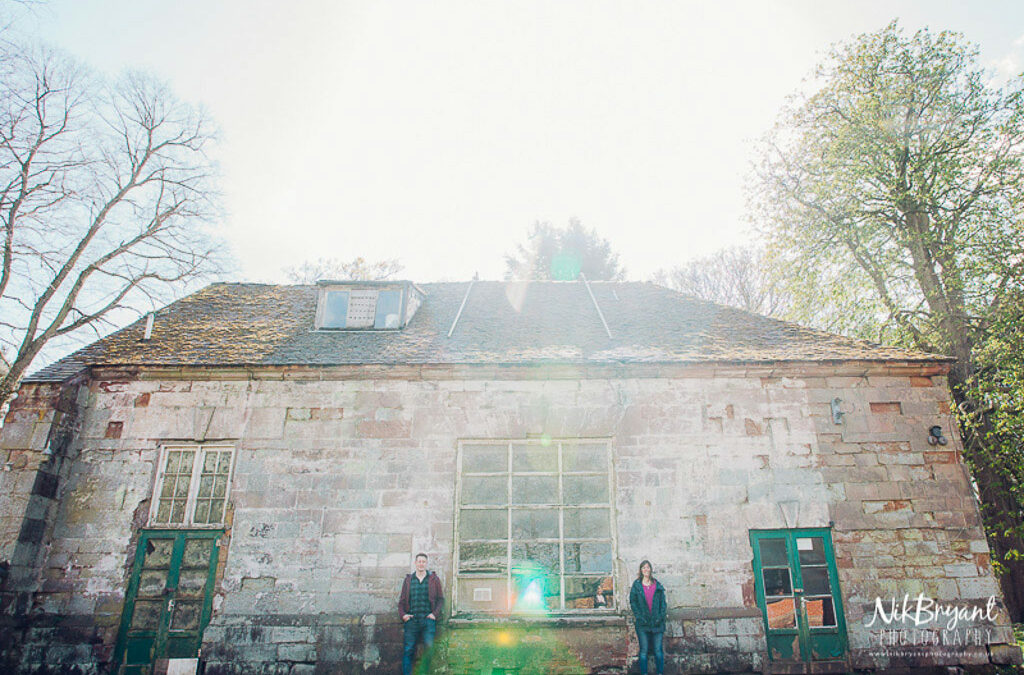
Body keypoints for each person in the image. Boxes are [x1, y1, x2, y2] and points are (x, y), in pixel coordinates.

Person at [398, 552, 443, 675]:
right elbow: (401, 601)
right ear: (415, 563)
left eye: (423, 561)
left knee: (428, 649)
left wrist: (434, 614)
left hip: (428, 620)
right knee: (408, 650)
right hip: (412, 620)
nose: (421, 564)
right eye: (419, 561)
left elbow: (440, 599)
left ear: (426, 563)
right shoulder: (408, 580)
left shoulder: (434, 579)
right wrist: (404, 615)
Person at [629, 559, 666, 675]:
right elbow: (633, 602)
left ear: (650, 569)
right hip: (643, 624)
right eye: (644, 567)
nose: (646, 569)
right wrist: (639, 617)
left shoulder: (657, 585)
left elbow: (663, 604)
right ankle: (644, 673)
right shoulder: (637, 586)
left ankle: (660, 673)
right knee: (644, 651)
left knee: (658, 651)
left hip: (657, 623)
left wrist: (660, 617)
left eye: (648, 567)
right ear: (641, 570)